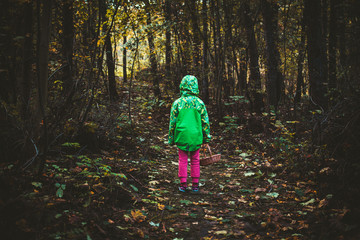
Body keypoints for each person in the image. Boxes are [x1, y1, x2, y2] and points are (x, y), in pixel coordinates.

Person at [168, 75, 211, 192]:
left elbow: (172, 122)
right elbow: (205, 122)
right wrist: (206, 138)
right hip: (196, 135)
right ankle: (195, 184)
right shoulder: (199, 103)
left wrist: (171, 138)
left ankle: (183, 184)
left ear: (182, 86)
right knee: (195, 159)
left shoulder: (177, 103)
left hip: (182, 135)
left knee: (182, 159)